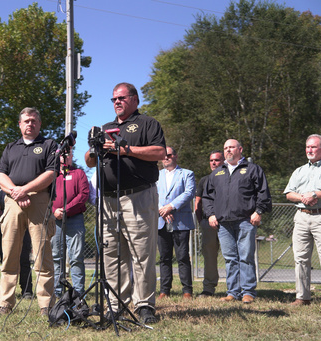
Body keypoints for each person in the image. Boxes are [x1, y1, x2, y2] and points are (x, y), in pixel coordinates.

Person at [85, 82, 166, 324]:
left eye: (121, 98)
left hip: (138, 196)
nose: (117, 102)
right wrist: (94, 149)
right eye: (113, 99)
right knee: (112, 252)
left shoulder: (147, 123)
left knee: (141, 252)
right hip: (109, 200)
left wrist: (125, 149)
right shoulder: (106, 128)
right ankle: (116, 304)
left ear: (134, 99)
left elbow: (159, 153)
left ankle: (144, 305)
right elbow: (89, 161)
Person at [0, 107, 58, 317]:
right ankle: (5, 304)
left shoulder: (49, 145)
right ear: (19, 125)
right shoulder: (11, 147)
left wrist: (26, 189)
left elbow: (50, 174)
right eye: (26, 121)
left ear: (39, 124)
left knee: (42, 256)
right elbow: (0, 175)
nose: (30, 124)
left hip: (39, 201)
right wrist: (15, 191)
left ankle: (45, 306)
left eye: (33, 121)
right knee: (10, 255)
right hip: (12, 201)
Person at [202, 139, 271, 304]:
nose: (228, 150)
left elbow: (263, 192)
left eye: (231, 147)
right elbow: (207, 197)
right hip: (223, 223)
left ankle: (248, 292)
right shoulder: (217, 173)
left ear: (240, 149)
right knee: (230, 258)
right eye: (225, 148)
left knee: (246, 256)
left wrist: (258, 212)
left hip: (246, 220)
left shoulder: (252, 169)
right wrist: (211, 214)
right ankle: (232, 291)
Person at [284, 134, 321, 308]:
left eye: (313, 147)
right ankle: (302, 297)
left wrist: (315, 194)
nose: (309, 150)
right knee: (300, 259)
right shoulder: (299, 171)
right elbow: (289, 194)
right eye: (307, 147)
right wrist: (303, 197)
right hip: (301, 216)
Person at [156, 147, 196, 300]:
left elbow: (189, 192)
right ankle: (164, 290)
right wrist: (162, 210)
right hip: (161, 220)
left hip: (180, 221)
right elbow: (153, 193)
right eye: (163, 156)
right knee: (164, 258)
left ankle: (187, 290)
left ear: (175, 156)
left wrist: (170, 207)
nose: (166, 158)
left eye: (169, 155)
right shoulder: (156, 176)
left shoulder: (186, 174)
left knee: (183, 257)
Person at [51, 149, 89, 297]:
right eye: (62, 154)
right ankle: (57, 294)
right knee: (56, 258)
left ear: (72, 157)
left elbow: (83, 194)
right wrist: (55, 211)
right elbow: (45, 196)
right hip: (56, 221)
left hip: (75, 219)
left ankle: (78, 294)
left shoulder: (79, 173)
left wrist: (66, 209)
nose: (65, 157)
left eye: (68, 154)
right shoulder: (51, 175)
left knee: (76, 258)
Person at [194, 151, 224, 297]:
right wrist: (202, 222)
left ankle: (235, 289)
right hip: (208, 223)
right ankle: (208, 288)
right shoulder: (204, 180)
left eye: (217, 160)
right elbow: (198, 202)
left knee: (233, 256)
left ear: (223, 161)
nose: (213, 163)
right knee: (209, 257)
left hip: (227, 223)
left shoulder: (229, 178)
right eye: (211, 160)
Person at [0, 190, 34, 300]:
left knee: (24, 259)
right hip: (4, 226)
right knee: (7, 260)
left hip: (23, 226)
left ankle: (27, 291)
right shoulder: (1, 191)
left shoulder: (22, 190)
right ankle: (7, 293)